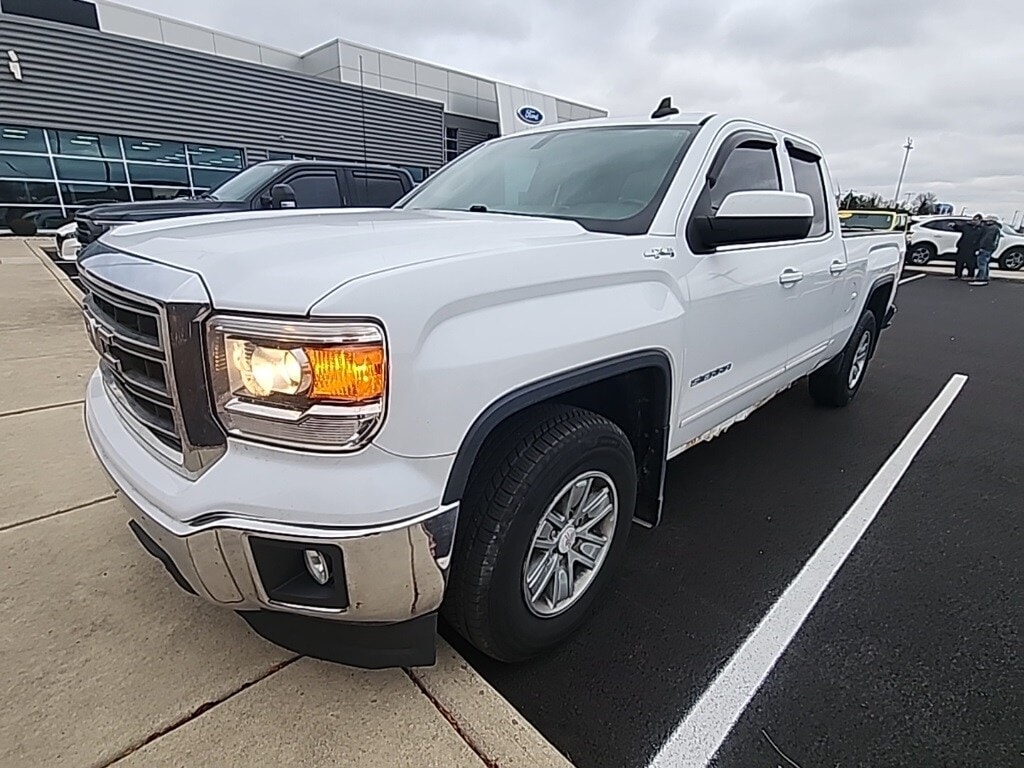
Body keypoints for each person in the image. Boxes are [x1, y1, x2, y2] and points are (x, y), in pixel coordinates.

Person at [970, 216, 1001, 286]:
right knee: (985, 263)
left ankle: (981, 278)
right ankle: (984, 277)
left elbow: (987, 239)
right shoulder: (996, 228)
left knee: (981, 263)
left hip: (986, 248)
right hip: (990, 248)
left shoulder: (991, 229)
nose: (986, 222)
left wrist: (982, 247)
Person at [952, 214, 983, 280]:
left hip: (972, 248)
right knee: (959, 261)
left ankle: (970, 275)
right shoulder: (967, 226)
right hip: (962, 246)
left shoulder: (981, 229)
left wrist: (978, 248)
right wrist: (954, 225)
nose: (974, 221)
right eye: (973, 219)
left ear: (980, 220)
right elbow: (959, 228)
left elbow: (981, 240)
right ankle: (957, 274)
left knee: (970, 263)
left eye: (976, 220)